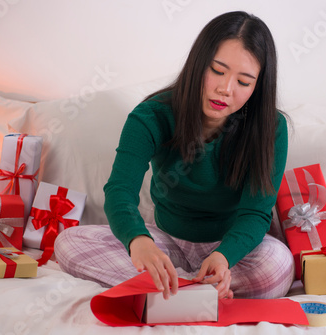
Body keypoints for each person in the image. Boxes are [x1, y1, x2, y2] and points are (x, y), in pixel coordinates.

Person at [54, 11, 294, 300]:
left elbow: (256, 213)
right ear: (198, 62)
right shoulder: (151, 115)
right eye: (217, 70)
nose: (225, 89)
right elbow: (119, 191)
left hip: (229, 250)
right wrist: (139, 242)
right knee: (68, 243)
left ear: (257, 87)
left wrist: (224, 257)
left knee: (278, 266)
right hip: (166, 241)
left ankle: (174, 289)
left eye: (244, 82)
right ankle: (197, 291)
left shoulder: (271, 128)